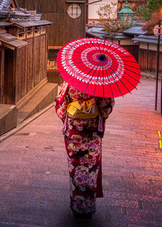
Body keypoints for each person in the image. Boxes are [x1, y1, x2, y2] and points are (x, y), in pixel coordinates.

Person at [55, 82, 115, 219]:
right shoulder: (100, 84)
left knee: (75, 168)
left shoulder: (69, 82)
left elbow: (60, 106)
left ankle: (77, 206)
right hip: (92, 133)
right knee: (90, 169)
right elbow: (106, 108)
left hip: (74, 133)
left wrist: (74, 114)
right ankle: (88, 207)